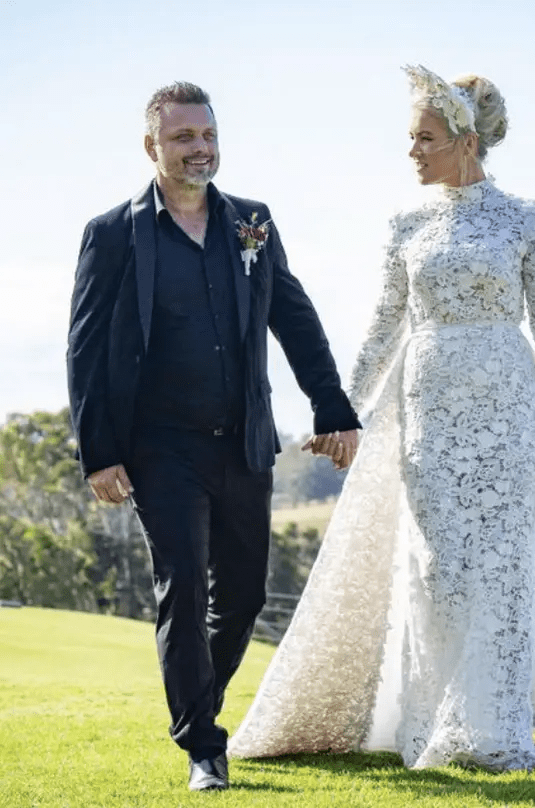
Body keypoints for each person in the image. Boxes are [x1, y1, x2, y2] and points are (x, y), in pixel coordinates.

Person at [229, 65, 535, 771]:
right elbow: (383, 327)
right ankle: (431, 723)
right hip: (427, 410)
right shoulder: (405, 225)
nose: (412, 152)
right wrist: (340, 412)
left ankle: (497, 728)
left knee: (501, 568)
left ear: (465, 140)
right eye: (410, 138)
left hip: (510, 408)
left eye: (424, 138)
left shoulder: (529, 220)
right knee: (439, 569)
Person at [66, 81, 360, 792]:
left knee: (247, 595)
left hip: (243, 442)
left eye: (207, 134)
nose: (200, 148)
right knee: (184, 590)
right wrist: (98, 452)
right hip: (160, 449)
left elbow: (293, 315)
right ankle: (203, 745)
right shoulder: (112, 234)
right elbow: (84, 347)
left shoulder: (252, 222)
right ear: (152, 147)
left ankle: (199, 706)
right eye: (182, 138)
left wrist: (332, 405)